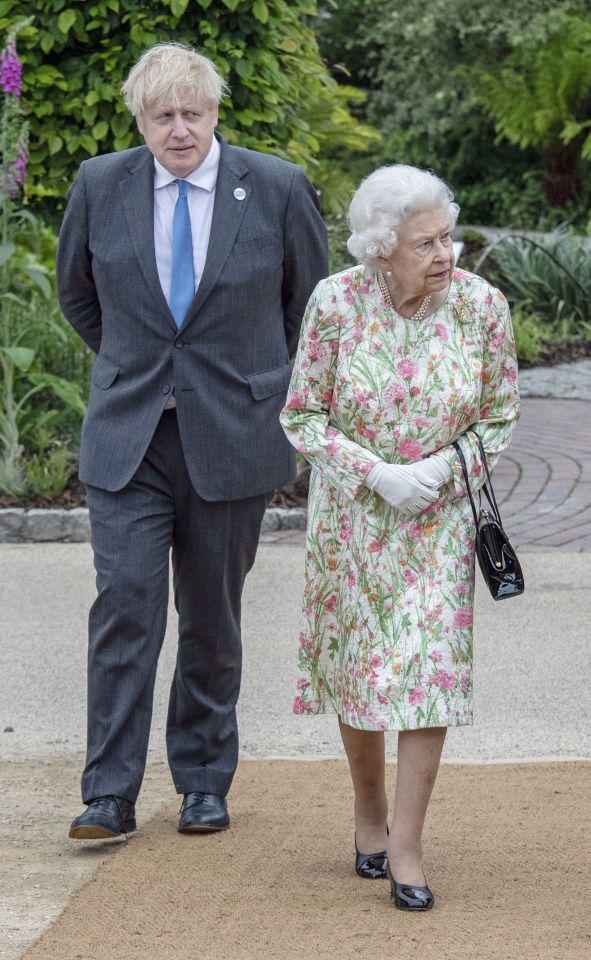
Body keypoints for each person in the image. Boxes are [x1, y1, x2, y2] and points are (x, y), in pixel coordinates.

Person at [57, 42, 328, 840]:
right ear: (139, 119)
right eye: (162, 115)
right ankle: (108, 793)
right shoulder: (100, 185)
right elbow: (79, 295)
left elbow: (307, 308)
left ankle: (204, 780)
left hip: (233, 433)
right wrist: (141, 365)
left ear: (215, 112)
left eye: (193, 113)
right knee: (125, 608)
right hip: (129, 436)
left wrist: (255, 381)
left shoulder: (273, 187)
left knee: (211, 616)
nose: (180, 129)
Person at [280, 164, 519, 910]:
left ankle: (407, 846)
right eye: (425, 243)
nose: (444, 254)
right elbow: (302, 416)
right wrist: (375, 472)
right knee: (361, 670)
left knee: (427, 675)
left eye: (448, 236)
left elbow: (499, 416)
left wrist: (444, 468)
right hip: (356, 515)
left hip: (440, 518)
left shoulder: (481, 308)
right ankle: (367, 812)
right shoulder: (336, 303)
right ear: (381, 249)